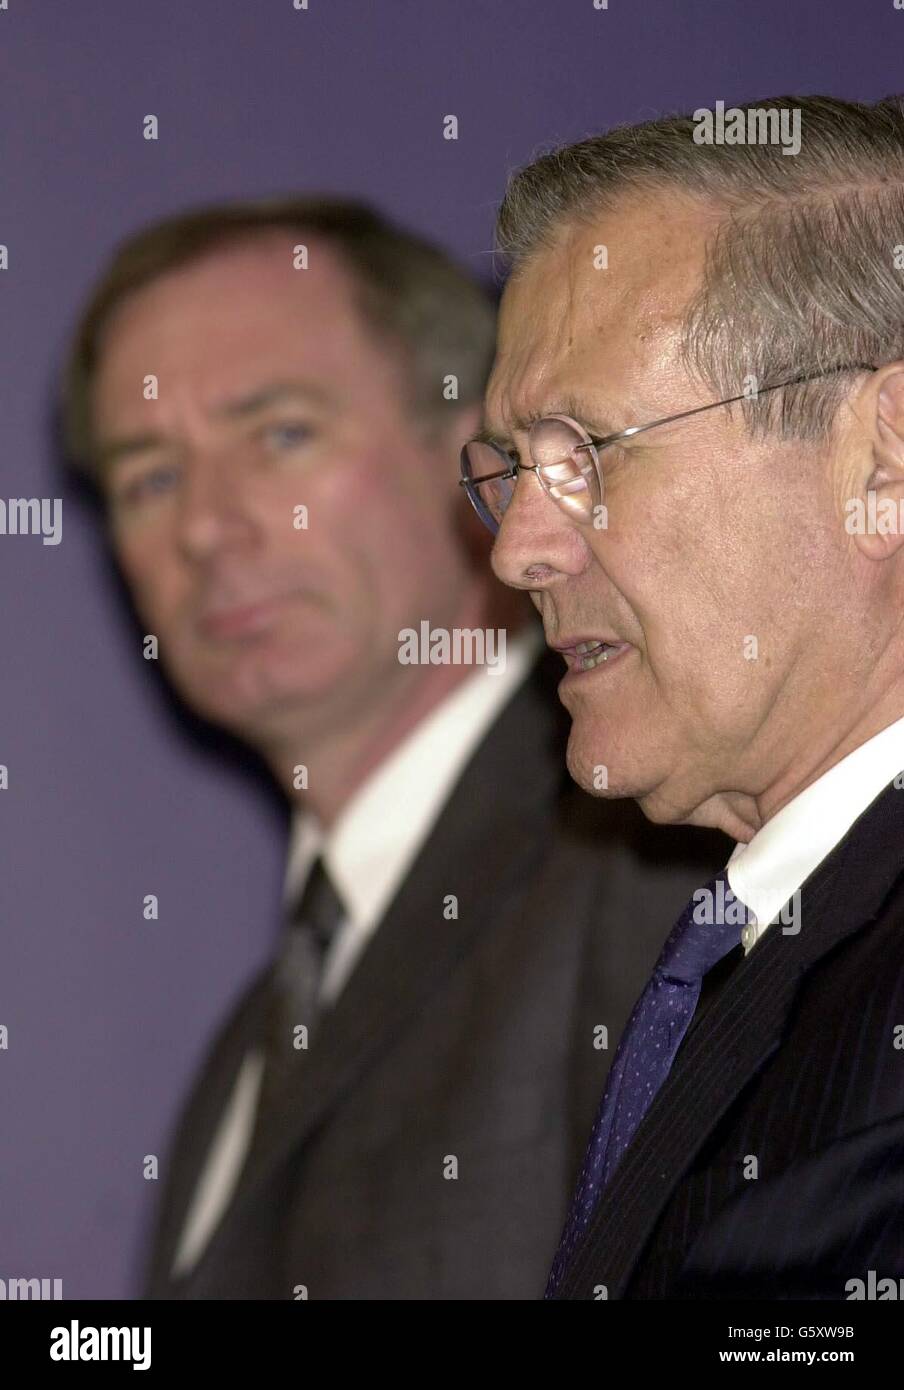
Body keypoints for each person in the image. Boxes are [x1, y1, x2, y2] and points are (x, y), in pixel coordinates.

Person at [63, 197, 722, 1299]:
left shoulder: (651, 858)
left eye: (279, 434)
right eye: (149, 477)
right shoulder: (245, 1055)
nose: (206, 527)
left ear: (478, 455)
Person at [463, 93, 904, 1300]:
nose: (519, 552)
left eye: (588, 453)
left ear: (883, 455)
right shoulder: (763, 951)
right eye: (512, 470)